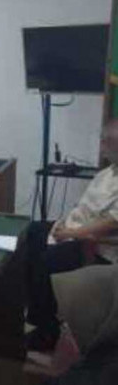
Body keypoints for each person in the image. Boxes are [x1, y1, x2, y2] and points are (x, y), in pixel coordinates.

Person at [26, 120, 118, 352]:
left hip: (96, 245)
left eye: (107, 141)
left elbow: (110, 223)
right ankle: (33, 314)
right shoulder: (108, 172)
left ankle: (48, 331)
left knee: (47, 261)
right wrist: (63, 226)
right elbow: (83, 208)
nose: (102, 146)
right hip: (75, 229)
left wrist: (70, 233)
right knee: (30, 233)